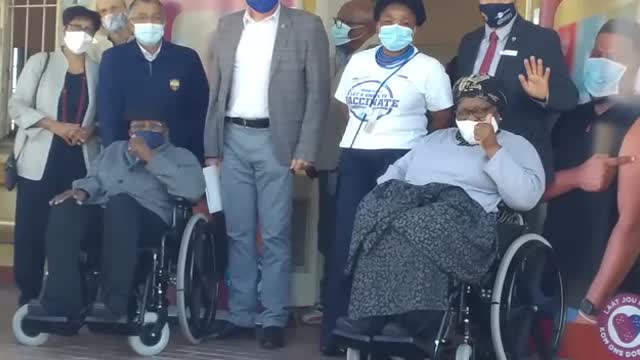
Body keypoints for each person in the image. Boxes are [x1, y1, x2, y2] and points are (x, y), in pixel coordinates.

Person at [337, 74, 544, 339]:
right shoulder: (434, 140)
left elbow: (525, 198)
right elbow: (395, 173)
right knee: (374, 213)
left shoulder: (517, 145)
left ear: (498, 113)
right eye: (464, 111)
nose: (472, 117)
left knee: (425, 221)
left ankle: (419, 321)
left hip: (470, 219)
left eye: (480, 110)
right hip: (416, 206)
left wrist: (492, 148)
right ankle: (371, 316)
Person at [320, 0, 454, 353]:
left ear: (416, 28)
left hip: (401, 161)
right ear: (377, 24)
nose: (396, 27)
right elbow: (347, 104)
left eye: (405, 22)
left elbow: (441, 119)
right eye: (389, 20)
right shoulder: (359, 62)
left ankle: (385, 333)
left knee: (389, 246)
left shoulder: (429, 69)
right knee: (346, 242)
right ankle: (338, 331)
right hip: (356, 158)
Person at [204, 0, 330, 350]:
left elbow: (318, 92)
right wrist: (212, 147)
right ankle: (242, 315)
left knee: (275, 233)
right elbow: (217, 90)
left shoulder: (306, 26)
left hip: (279, 141)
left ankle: (273, 316)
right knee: (238, 232)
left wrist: (306, 149)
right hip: (232, 137)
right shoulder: (228, 26)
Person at [26, 109, 206, 320]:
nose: (145, 130)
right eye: (139, 125)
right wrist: (81, 191)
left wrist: (150, 157)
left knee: (121, 204)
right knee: (65, 207)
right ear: (130, 130)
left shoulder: (181, 156)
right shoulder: (113, 151)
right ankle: (61, 299)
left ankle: (114, 301)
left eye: (153, 125)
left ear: (166, 130)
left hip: (151, 222)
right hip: (105, 213)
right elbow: (94, 179)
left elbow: (193, 191)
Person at [543, 19, 640, 325]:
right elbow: (539, 189)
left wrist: (591, 306)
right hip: (553, 286)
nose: (600, 63)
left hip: (607, 302)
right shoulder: (569, 117)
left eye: (612, 58)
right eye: (597, 54)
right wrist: (579, 176)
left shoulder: (635, 122)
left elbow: (632, 226)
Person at [455, 0, 578, 233]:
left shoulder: (541, 39)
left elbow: (569, 97)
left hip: (519, 159)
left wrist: (544, 94)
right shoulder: (469, 42)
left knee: (516, 240)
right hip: (471, 158)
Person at [8, 6, 102, 307]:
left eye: (88, 30)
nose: (82, 34)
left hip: (80, 159)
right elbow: (17, 105)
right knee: (31, 229)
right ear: (64, 28)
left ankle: (74, 295)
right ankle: (30, 295)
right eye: (76, 27)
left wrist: (91, 129)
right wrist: (54, 125)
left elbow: (105, 114)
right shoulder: (42, 61)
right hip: (39, 159)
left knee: (75, 227)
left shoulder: (98, 69)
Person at [307, 0, 377, 330]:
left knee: (346, 236)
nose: (338, 27)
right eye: (337, 20)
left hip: (353, 163)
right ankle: (330, 302)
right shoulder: (340, 54)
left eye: (345, 23)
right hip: (329, 160)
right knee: (329, 235)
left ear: (370, 28)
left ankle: (345, 308)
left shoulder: (373, 57)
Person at [98, 0, 209, 162]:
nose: (149, 23)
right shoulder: (113, 59)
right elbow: (108, 112)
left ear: (164, 22)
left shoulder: (187, 58)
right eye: (142, 18)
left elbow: (199, 110)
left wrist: (190, 156)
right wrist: (116, 155)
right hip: (129, 156)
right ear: (130, 23)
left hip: (178, 155)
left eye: (155, 18)